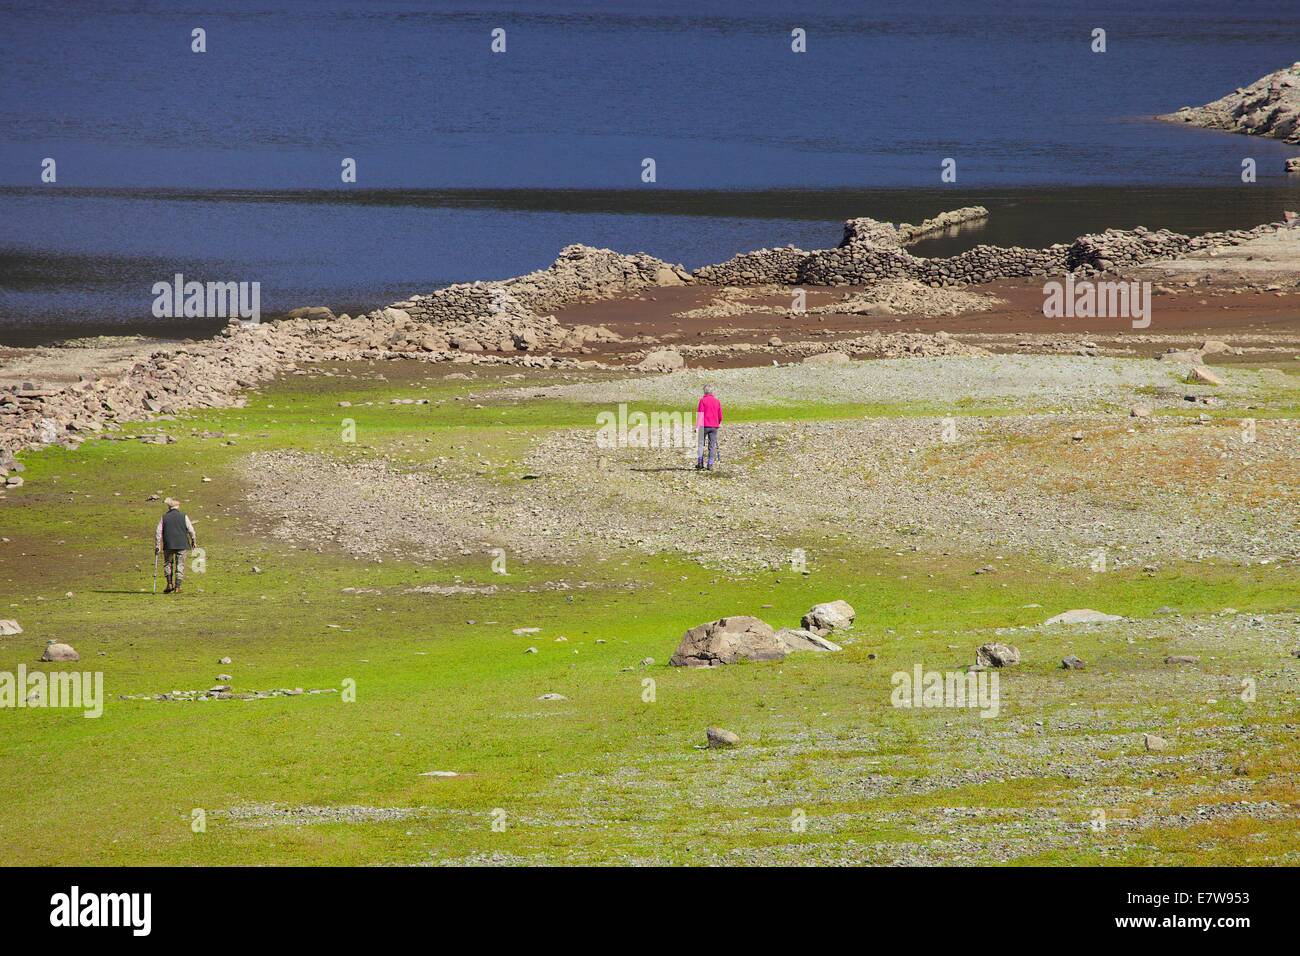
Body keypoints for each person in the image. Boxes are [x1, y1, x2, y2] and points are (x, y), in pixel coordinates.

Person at [155, 498, 197, 594]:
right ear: (178, 507)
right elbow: (191, 530)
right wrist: (193, 540)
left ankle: (169, 584)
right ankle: (178, 586)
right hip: (182, 544)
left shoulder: (164, 517)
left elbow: (158, 532)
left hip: (168, 544)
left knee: (168, 563)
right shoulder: (183, 516)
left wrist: (158, 545)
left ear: (169, 507)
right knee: (180, 564)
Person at [695, 385, 722, 471]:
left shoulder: (702, 401)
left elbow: (700, 414)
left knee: (700, 444)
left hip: (704, 425)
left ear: (705, 392)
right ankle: (710, 464)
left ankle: (700, 463)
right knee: (712, 446)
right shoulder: (717, 401)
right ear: (712, 391)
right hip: (714, 426)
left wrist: (697, 427)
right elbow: (720, 415)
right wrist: (718, 423)